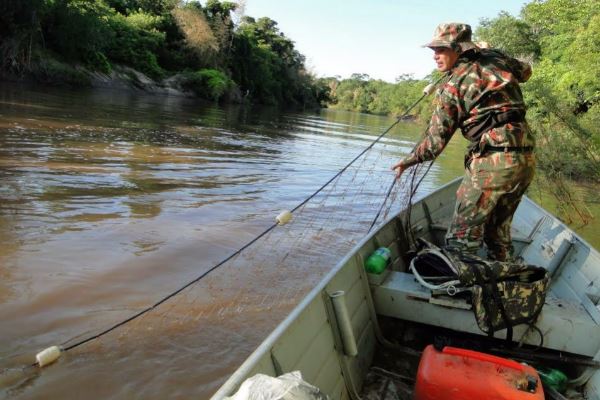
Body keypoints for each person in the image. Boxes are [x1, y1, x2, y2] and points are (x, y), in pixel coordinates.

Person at [391, 23, 536, 261]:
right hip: (525, 160)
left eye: (441, 49)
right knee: (497, 234)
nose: (435, 55)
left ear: (459, 49)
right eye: (433, 50)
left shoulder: (452, 86)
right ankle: (506, 286)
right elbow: (526, 71)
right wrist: (493, 51)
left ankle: (459, 293)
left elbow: (434, 144)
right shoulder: (496, 60)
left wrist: (407, 161)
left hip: (493, 163)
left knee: (460, 240)